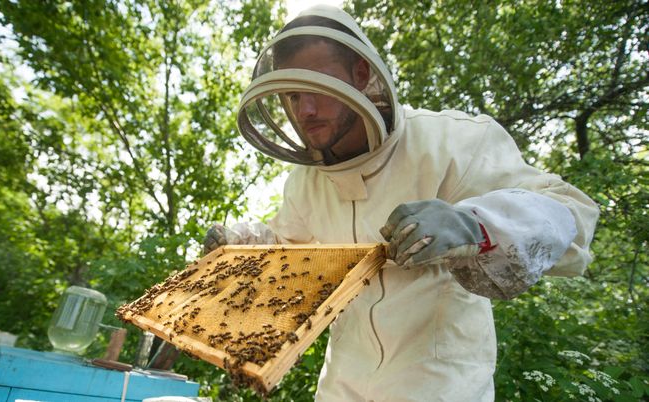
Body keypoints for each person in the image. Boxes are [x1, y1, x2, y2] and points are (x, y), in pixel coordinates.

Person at [204, 5, 599, 401]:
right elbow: (290, 252)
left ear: (361, 75)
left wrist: (474, 224)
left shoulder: (452, 143)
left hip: (440, 387)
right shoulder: (305, 182)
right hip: (342, 387)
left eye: (317, 88)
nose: (304, 110)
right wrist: (240, 245)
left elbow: (572, 216)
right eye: (292, 95)